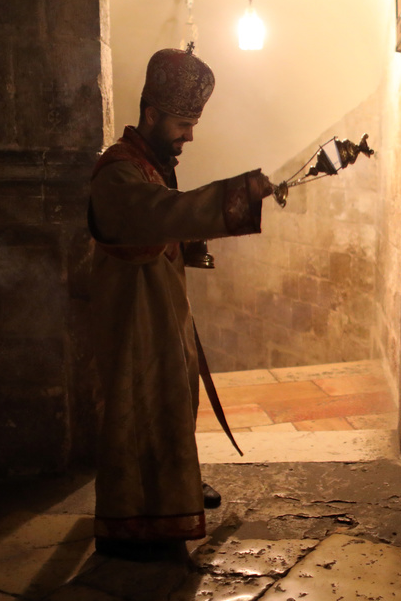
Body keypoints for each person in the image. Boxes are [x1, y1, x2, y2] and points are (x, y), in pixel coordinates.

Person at [88, 47, 274, 561]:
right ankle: (132, 525)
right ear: (151, 115)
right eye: (183, 124)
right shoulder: (117, 172)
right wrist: (236, 195)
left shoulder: (150, 165)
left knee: (171, 407)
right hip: (133, 323)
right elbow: (154, 215)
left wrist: (186, 244)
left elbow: (160, 222)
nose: (190, 136)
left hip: (160, 316)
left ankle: (173, 497)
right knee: (137, 414)